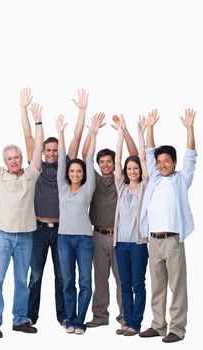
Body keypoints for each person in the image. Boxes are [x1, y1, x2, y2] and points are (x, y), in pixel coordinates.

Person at [20, 87, 88, 327]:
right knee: (36, 275)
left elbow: (77, 139)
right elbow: (29, 138)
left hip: (62, 231)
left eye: (53, 150)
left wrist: (82, 111)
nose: (50, 154)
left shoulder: (66, 167)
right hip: (38, 229)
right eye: (47, 150)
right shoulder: (37, 166)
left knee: (63, 277)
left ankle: (64, 316)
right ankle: (31, 316)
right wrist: (24, 110)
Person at [0, 103, 44, 338]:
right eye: (9, 159)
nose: (13, 161)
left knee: (22, 282)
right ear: (5, 161)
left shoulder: (31, 175)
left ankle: (20, 320)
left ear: (21, 159)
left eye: (16, 157)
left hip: (26, 236)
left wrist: (38, 121)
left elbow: (38, 149)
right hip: (2, 236)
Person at [139, 108, 197, 343]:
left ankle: (177, 329)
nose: (162, 164)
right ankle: (157, 325)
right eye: (160, 162)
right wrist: (150, 127)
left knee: (177, 287)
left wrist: (190, 129)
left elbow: (191, 157)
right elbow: (149, 151)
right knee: (157, 286)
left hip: (172, 240)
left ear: (174, 163)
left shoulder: (180, 180)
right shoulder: (154, 178)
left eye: (167, 161)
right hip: (154, 241)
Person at [83, 115, 138, 328]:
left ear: (115, 165)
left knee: (122, 279)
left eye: (109, 162)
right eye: (102, 162)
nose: (106, 165)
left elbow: (134, 155)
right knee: (100, 279)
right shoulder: (94, 179)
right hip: (97, 234)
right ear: (98, 165)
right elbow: (85, 155)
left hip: (119, 236)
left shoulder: (122, 179)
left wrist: (123, 132)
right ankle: (99, 316)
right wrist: (93, 132)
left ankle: (125, 318)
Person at [56, 113, 101, 335]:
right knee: (67, 281)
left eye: (79, 171)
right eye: (72, 170)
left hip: (84, 239)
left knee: (84, 281)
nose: (75, 173)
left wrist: (93, 133)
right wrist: (61, 133)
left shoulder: (87, 188)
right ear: (68, 173)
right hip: (63, 239)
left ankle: (80, 321)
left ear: (83, 174)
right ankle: (69, 319)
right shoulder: (62, 187)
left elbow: (90, 158)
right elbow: (63, 158)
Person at [113, 114, 149, 336]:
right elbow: (117, 160)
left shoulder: (145, 186)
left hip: (137, 243)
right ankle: (126, 321)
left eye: (135, 168)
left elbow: (144, 159)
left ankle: (136, 323)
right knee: (124, 284)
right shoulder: (122, 187)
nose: (133, 171)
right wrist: (119, 133)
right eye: (130, 169)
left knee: (138, 284)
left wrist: (140, 133)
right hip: (120, 243)